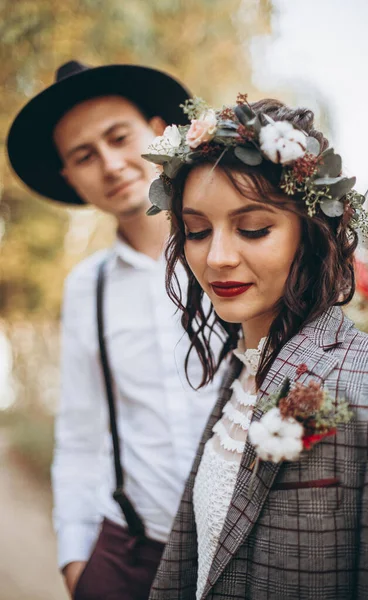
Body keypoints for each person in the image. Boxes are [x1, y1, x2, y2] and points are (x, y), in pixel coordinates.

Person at [142, 95, 368, 599]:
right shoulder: (235, 376)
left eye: (253, 229)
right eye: (196, 231)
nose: (217, 257)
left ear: (309, 233)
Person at [7, 61, 221, 600]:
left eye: (118, 137)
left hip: (255, 547)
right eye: (83, 155)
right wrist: (76, 560)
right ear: (69, 177)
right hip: (132, 554)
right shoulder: (88, 288)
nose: (109, 162)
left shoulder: (238, 251)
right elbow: (80, 436)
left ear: (157, 131)